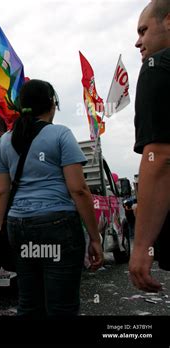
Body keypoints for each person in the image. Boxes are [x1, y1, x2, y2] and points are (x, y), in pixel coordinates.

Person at [0, 79, 103, 316]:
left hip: (18, 226)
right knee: (61, 308)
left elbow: (2, 192)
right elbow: (79, 190)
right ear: (51, 105)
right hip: (58, 225)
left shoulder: (4, 142)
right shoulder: (61, 134)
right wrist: (95, 238)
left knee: (29, 304)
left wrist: (6, 229)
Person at [129, 0, 170, 292]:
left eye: (144, 31)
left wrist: (142, 245)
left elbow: (161, 157)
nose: (138, 42)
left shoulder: (157, 66)